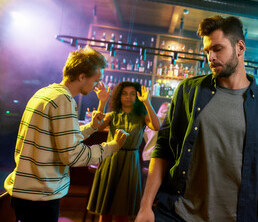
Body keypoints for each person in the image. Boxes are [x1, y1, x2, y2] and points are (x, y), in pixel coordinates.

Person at [135, 15, 258, 222]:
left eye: (217, 49)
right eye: (207, 51)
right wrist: (145, 206)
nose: (211, 57)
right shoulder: (189, 90)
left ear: (240, 47)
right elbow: (163, 147)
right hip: (178, 213)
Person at [3, 46, 129, 222]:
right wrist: (112, 146)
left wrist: (92, 127)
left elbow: (60, 139)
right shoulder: (64, 101)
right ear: (81, 76)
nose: (96, 86)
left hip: (24, 190)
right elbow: (72, 155)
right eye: (95, 80)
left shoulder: (46, 93)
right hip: (40, 195)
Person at [87, 81, 160, 222]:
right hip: (111, 159)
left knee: (124, 209)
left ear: (138, 96)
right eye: (124, 93)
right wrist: (102, 102)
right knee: (106, 207)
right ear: (119, 96)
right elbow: (96, 127)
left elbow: (156, 126)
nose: (128, 97)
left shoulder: (141, 115)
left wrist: (147, 103)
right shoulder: (112, 115)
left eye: (133, 94)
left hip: (131, 161)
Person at [142, 102, 170, 185]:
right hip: (162, 159)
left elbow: (145, 138)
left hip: (147, 158)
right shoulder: (171, 123)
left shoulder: (150, 123)